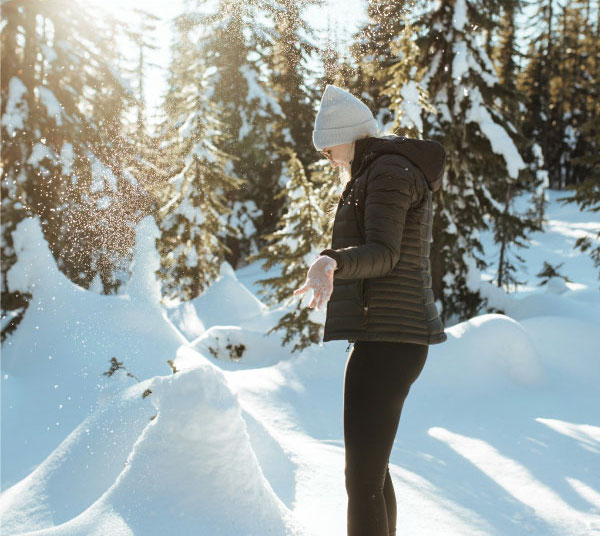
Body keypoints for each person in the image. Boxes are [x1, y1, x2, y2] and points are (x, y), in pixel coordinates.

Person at [293, 84, 448, 536]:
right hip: (386, 336)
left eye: (329, 148)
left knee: (361, 480)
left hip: (391, 341)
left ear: (346, 134)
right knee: (371, 475)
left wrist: (333, 260)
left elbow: (384, 252)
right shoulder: (380, 171)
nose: (330, 159)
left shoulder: (388, 172)